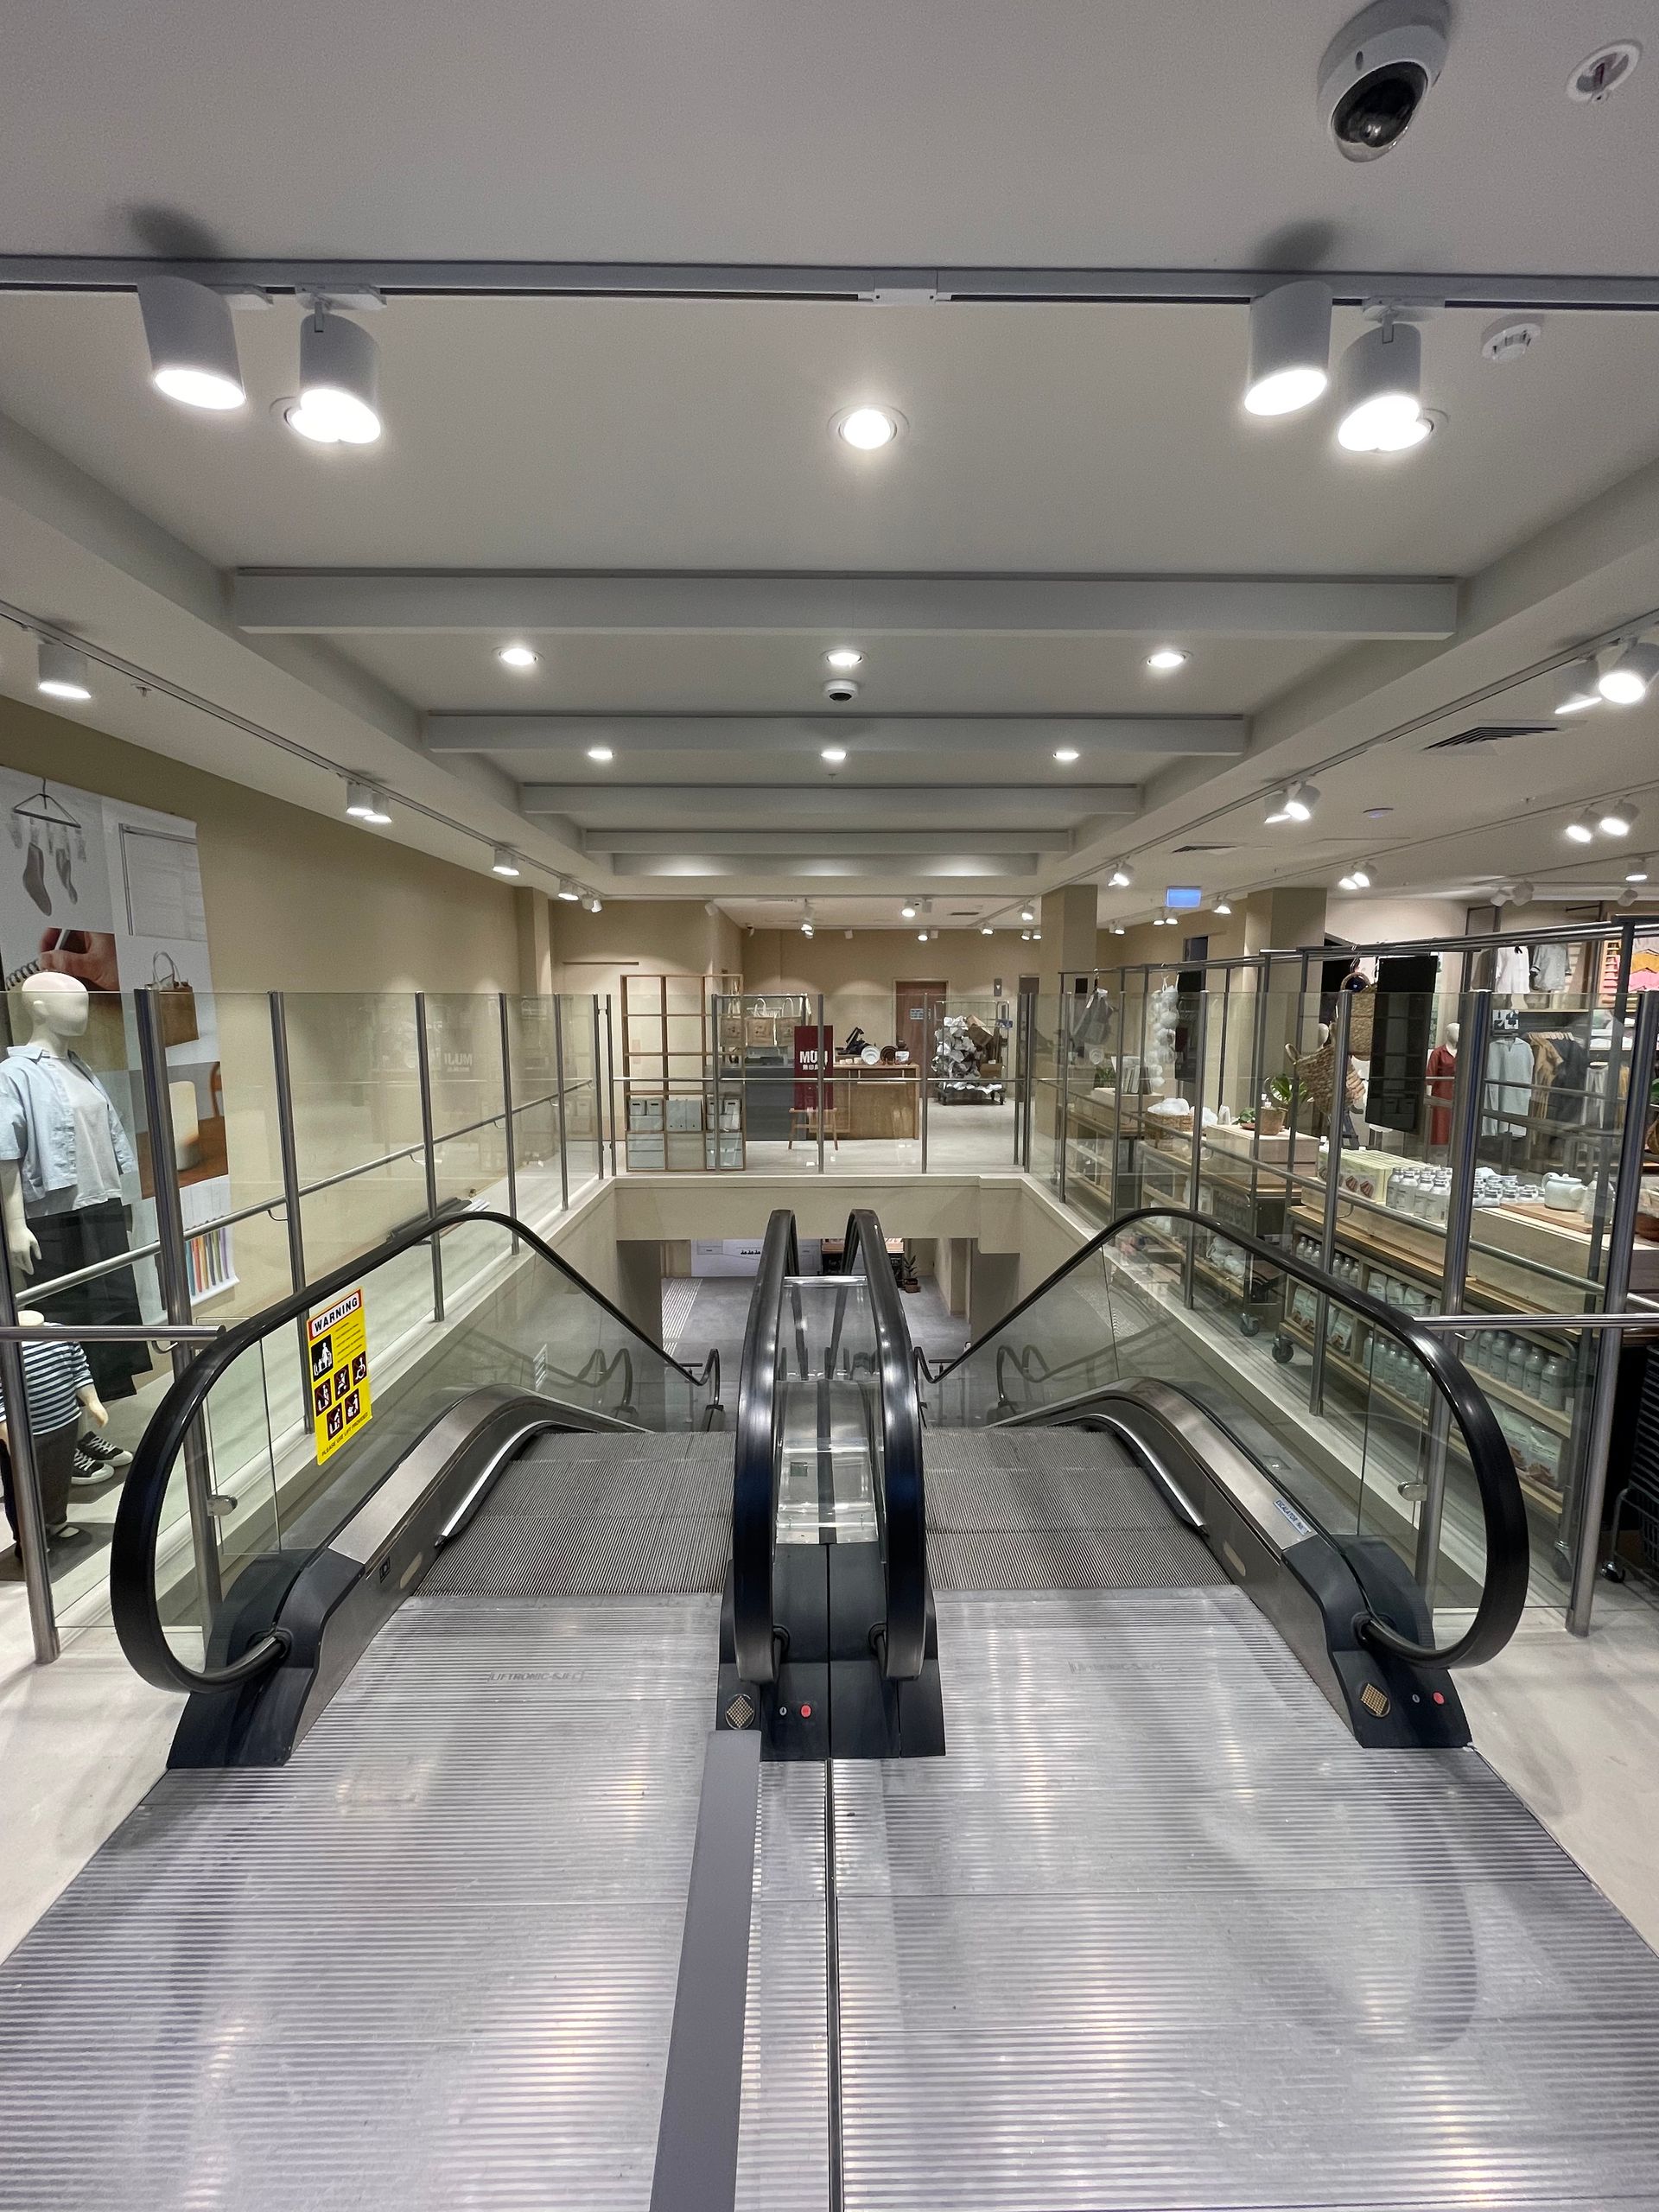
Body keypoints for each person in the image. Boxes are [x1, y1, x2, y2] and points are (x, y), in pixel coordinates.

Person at [0, 1319, 110, 1554]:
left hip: (65, 1421)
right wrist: (8, 1433)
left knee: (59, 1476)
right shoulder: (6, 1342)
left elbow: (79, 1369)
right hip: (26, 1432)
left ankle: (57, 1521)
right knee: (23, 1486)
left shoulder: (60, 1333)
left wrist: (93, 1401)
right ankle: (27, 1537)